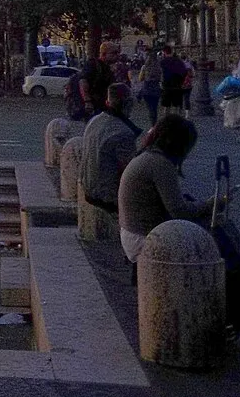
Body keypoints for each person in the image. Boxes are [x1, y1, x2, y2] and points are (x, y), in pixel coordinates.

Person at [117, 115, 213, 263]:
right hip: (143, 238)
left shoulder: (147, 156)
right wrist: (209, 205)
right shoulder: (161, 164)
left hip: (131, 233)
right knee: (211, 235)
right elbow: (179, 212)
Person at [81, 83, 143, 215]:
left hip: (88, 188)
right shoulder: (123, 132)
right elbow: (131, 171)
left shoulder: (94, 120)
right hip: (107, 196)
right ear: (127, 104)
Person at [78, 41, 120, 118]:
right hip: (94, 106)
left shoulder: (108, 68)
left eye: (118, 53)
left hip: (104, 106)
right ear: (103, 54)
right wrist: (87, 101)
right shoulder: (93, 65)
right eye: (114, 53)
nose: (117, 55)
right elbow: (83, 81)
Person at [159, 45, 187, 117]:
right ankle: (176, 121)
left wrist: (161, 83)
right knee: (176, 106)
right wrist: (181, 81)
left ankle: (166, 121)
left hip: (166, 86)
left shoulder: (163, 62)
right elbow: (184, 72)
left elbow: (160, 73)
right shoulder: (179, 61)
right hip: (177, 86)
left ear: (164, 52)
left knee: (166, 106)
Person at [138, 49, 163, 124]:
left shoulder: (144, 67)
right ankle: (154, 123)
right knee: (154, 108)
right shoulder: (159, 68)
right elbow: (161, 79)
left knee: (150, 109)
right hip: (156, 89)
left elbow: (140, 79)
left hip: (147, 89)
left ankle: (153, 125)